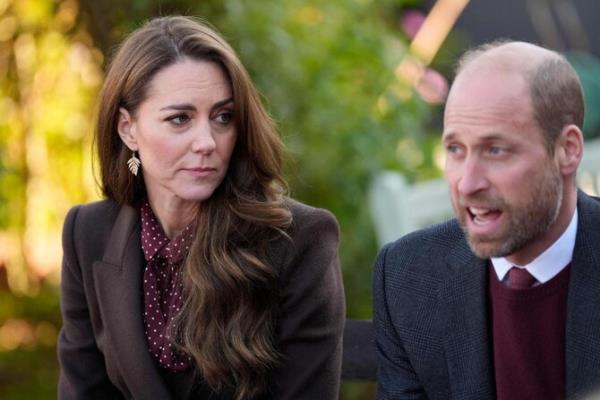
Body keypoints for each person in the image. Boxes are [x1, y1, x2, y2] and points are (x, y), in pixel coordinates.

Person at [58, 15, 345, 400]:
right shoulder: (88, 234)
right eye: (180, 119)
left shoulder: (297, 241)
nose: (207, 142)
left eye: (223, 117)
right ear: (128, 129)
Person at [373, 40, 600, 400]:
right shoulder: (408, 277)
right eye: (455, 150)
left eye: (496, 150)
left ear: (568, 150)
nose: (468, 182)